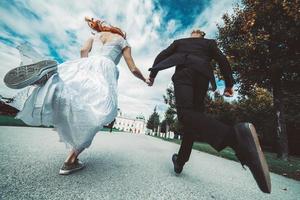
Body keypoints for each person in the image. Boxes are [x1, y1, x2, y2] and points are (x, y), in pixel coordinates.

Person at [4, 16, 148, 175]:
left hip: (86, 64)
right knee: (99, 113)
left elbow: (83, 51)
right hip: (106, 70)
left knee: (73, 94)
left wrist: (87, 68)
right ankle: (71, 160)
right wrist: (145, 79)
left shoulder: (95, 36)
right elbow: (133, 68)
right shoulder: (122, 41)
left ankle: (50, 79)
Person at [147, 29, 271, 193]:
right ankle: (180, 162)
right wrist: (228, 84)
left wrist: (153, 74)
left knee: (185, 114)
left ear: (195, 35)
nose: (192, 34)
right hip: (202, 76)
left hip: (184, 73)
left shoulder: (180, 42)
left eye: (194, 33)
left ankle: (235, 138)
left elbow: (162, 55)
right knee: (193, 120)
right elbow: (222, 60)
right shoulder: (209, 44)